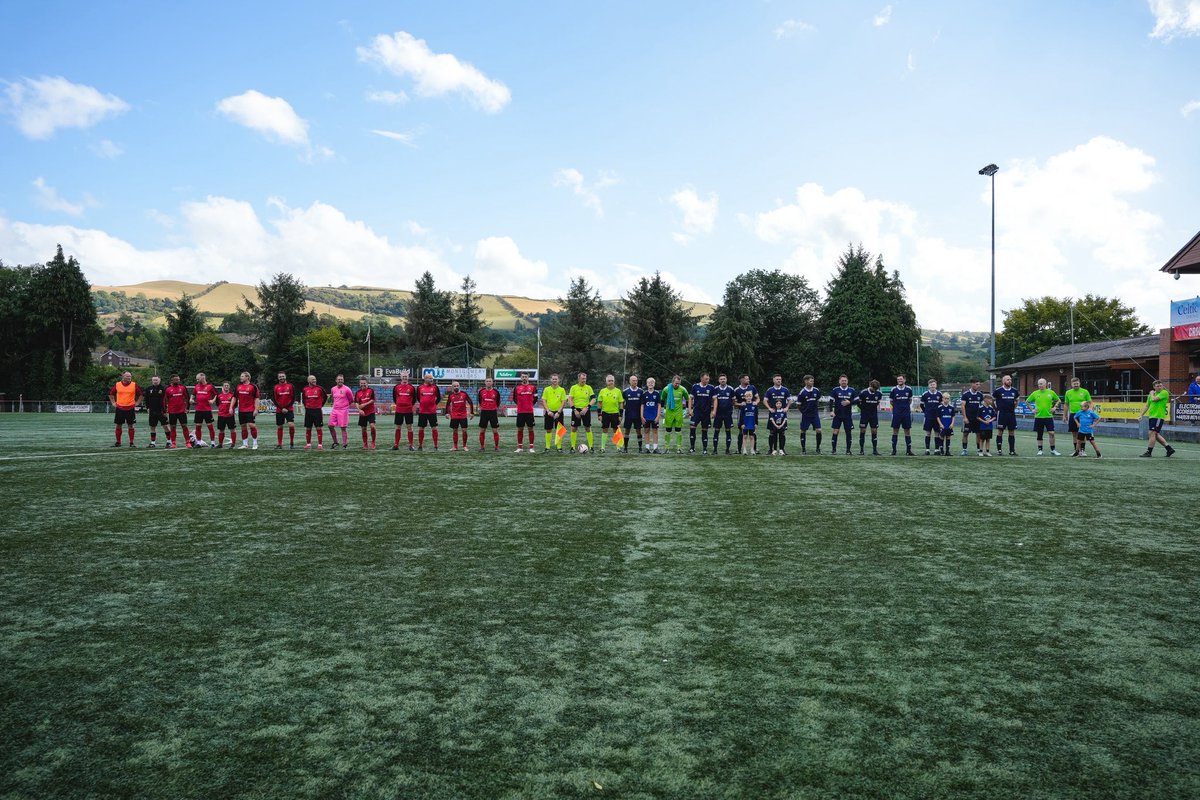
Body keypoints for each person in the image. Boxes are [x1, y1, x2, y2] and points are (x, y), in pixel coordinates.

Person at [1139, 380, 1176, 458]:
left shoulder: (1164, 393)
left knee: (1151, 433)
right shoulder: (1151, 395)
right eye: (1157, 386)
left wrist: (1152, 394)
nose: (1159, 387)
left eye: (1160, 386)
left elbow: (1154, 399)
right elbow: (1147, 405)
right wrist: (1141, 415)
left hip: (1158, 416)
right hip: (1152, 416)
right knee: (1155, 434)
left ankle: (1149, 452)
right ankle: (1169, 449)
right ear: (1154, 387)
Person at [1027, 378, 1062, 456]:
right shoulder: (1035, 393)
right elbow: (1027, 401)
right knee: (1039, 434)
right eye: (1039, 384)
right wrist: (1032, 409)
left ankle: (1053, 449)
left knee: (1051, 433)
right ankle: (1040, 450)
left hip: (1048, 417)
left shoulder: (1051, 392)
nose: (1040, 385)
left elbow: (1058, 400)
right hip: (1038, 417)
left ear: (1046, 384)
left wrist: (1054, 407)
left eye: (1041, 383)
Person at [108, 371, 142, 448]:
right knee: (118, 426)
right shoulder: (117, 384)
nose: (129, 377)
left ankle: (131, 442)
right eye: (127, 376)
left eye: (130, 376)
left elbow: (141, 395)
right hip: (120, 408)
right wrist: (113, 403)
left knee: (131, 426)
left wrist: (137, 403)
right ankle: (118, 442)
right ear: (123, 377)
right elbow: (111, 394)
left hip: (130, 408)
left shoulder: (134, 385)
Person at [1063, 376, 1092, 457]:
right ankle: (1076, 451)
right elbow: (1066, 405)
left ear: (1080, 383)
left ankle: (1082, 451)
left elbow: (1090, 402)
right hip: (1073, 415)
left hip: (1083, 415)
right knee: (1074, 433)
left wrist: (1090, 412)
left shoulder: (1085, 391)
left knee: (1083, 433)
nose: (1076, 385)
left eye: (1077, 383)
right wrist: (1064, 415)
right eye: (1074, 384)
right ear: (1071, 384)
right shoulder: (1068, 393)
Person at [689, 373, 717, 454]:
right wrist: (690, 410)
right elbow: (690, 398)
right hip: (696, 412)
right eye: (706, 379)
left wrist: (714, 411)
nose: (707, 380)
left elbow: (715, 400)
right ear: (701, 378)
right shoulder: (695, 386)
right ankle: (692, 448)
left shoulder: (711, 387)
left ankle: (705, 449)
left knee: (705, 430)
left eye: (708, 379)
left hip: (706, 413)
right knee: (692, 428)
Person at [568, 372, 597, 453]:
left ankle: (591, 447)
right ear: (579, 379)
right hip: (576, 410)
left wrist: (587, 408)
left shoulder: (589, 388)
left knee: (588, 428)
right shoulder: (573, 388)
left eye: (585, 378)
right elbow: (570, 399)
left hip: (586, 410)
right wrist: (574, 409)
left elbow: (594, 399)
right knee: (574, 428)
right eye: (582, 378)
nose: (584, 380)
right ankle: (572, 447)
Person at [828, 375, 857, 455]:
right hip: (837, 415)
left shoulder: (852, 390)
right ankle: (833, 450)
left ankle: (848, 450)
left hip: (847, 415)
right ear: (839, 381)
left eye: (845, 380)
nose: (844, 382)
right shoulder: (835, 390)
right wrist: (831, 411)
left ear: (847, 381)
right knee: (835, 431)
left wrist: (849, 402)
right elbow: (830, 401)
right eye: (842, 380)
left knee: (848, 432)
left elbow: (857, 401)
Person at [992, 374, 1020, 456]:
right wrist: (996, 409)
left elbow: (1017, 400)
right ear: (1003, 381)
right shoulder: (998, 391)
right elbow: (992, 400)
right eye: (1008, 379)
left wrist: (1013, 408)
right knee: (1000, 431)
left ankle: (1012, 450)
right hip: (1002, 414)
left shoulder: (1014, 391)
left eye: (1010, 379)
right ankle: (999, 450)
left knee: (1011, 432)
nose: (1010, 381)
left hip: (1011, 414)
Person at [660, 375, 688, 453]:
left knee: (678, 430)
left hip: (679, 413)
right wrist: (662, 410)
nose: (677, 385)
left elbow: (687, 399)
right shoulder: (666, 389)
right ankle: (666, 448)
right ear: (672, 382)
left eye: (678, 383)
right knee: (668, 430)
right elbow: (662, 399)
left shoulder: (683, 389)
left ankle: (679, 448)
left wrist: (687, 409)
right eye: (676, 383)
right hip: (669, 412)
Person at [444, 380, 475, 450]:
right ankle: (455, 446)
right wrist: (447, 413)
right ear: (452, 387)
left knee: (464, 430)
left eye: (457, 386)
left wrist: (472, 412)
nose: (456, 387)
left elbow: (470, 402)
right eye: (454, 386)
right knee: (455, 430)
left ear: (459, 386)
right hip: (454, 415)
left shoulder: (464, 394)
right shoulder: (451, 395)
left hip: (463, 415)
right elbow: (448, 404)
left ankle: (464, 446)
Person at [597, 374, 624, 453]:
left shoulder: (618, 391)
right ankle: (602, 448)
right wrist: (599, 414)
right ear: (606, 382)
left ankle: (618, 447)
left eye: (612, 380)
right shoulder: (602, 391)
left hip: (615, 414)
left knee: (616, 430)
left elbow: (621, 403)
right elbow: (599, 403)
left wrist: (621, 415)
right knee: (605, 429)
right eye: (609, 381)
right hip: (605, 413)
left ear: (614, 381)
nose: (611, 382)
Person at [540, 373, 567, 453]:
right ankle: (547, 447)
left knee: (559, 430)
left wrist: (558, 412)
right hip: (549, 412)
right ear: (551, 380)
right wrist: (548, 411)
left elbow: (563, 401)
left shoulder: (562, 390)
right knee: (548, 430)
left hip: (559, 412)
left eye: (556, 379)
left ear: (558, 380)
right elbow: (544, 400)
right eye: (553, 379)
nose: (554, 380)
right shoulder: (546, 389)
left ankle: (559, 447)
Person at [795, 375, 822, 454]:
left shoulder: (816, 390)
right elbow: (798, 405)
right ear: (806, 381)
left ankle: (818, 448)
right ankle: (803, 449)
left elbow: (818, 400)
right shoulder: (802, 392)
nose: (812, 382)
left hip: (815, 415)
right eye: (811, 381)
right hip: (806, 415)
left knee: (819, 430)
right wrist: (804, 412)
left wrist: (815, 408)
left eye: (813, 381)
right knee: (803, 431)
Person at [889, 374, 915, 456]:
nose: (899, 381)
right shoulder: (893, 389)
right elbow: (891, 401)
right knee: (895, 431)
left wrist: (905, 407)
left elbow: (910, 400)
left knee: (907, 431)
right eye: (898, 380)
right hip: (897, 413)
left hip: (906, 413)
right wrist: (897, 408)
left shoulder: (909, 389)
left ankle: (908, 450)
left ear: (904, 380)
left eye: (901, 379)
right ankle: (894, 450)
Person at [512, 372, 538, 453]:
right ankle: (520, 447)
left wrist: (529, 404)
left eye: (525, 377)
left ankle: (531, 447)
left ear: (528, 378)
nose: (524, 378)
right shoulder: (517, 388)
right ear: (520, 378)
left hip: (529, 411)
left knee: (530, 428)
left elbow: (535, 398)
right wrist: (520, 405)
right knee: (520, 429)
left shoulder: (533, 387)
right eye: (523, 377)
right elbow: (514, 399)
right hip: (520, 412)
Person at [271, 371, 297, 449]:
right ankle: (280, 444)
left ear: (285, 376)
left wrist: (287, 407)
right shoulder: (276, 387)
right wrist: (281, 408)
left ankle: (292, 442)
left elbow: (293, 398)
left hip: (289, 409)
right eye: (280, 377)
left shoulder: (290, 386)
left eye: (283, 376)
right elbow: (274, 399)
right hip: (279, 410)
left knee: (291, 425)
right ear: (278, 378)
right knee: (279, 426)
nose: (282, 378)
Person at [959, 378, 985, 456]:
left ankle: (978, 450)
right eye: (977, 384)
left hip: (977, 418)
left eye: (979, 384)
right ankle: (964, 450)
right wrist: (965, 417)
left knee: (978, 434)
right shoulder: (966, 394)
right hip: (968, 418)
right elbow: (963, 406)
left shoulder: (980, 395)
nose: (978, 386)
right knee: (965, 433)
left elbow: (982, 406)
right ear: (972, 384)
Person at [327, 374, 354, 450]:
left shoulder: (347, 389)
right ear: (336, 380)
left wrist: (345, 406)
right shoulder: (333, 389)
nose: (340, 381)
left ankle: (344, 444)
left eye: (341, 379)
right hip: (335, 410)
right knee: (330, 426)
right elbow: (333, 397)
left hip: (343, 410)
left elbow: (351, 399)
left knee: (343, 428)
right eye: (339, 379)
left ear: (343, 380)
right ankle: (335, 442)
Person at [234, 371, 260, 450]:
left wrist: (256, 409)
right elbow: (235, 397)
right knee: (243, 427)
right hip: (241, 410)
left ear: (247, 377)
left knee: (252, 425)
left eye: (242, 376)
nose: (240, 377)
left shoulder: (253, 386)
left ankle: (255, 443)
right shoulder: (238, 386)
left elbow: (257, 398)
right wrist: (233, 407)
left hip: (250, 409)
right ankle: (245, 444)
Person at [712, 374, 737, 454]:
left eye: (724, 379)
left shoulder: (730, 389)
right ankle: (715, 450)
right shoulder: (715, 389)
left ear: (726, 379)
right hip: (718, 414)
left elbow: (733, 401)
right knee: (716, 431)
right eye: (721, 379)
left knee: (728, 431)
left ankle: (727, 449)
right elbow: (714, 400)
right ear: (719, 380)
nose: (723, 380)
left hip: (727, 414)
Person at [416, 373, 442, 451]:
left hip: (432, 412)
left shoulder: (435, 387)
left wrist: (434, 404)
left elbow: (438, 398)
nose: (431, 380)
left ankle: (436, 445)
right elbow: (418, 397)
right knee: (421, 428)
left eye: (432, 378)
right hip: (423, 412)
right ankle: (420, 445)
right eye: (430, 378)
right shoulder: (420, 387)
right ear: (425, 379)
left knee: (434, 427)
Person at [164, 374, 191, 449]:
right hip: (172, 412)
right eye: (176, 379)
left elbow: (187, 397)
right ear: (172, 380)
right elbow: (164, 400)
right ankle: (173, 443)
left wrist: (187, 408)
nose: (178, 381)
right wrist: (165, 409)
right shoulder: (168, 389)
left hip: (182, 411)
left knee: (184, 426)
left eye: (178, 379)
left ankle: (188, 442)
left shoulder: (182, 387)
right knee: (173, 427)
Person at [392, 371, 417, 451]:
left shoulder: (411, 387)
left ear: (408, 377)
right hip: (399, 410)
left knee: (409, 427)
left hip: (408, 410)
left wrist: (408, 404)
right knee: (398, 427)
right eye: (403, 376)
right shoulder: (396, 387)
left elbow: (414, 399)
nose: (404, 378)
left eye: (406, 376)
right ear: (401, 377)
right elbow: (395, 398)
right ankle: (396, 444)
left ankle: (411, 445)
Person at [621, 375, 645, 453]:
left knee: (639, 431)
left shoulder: (641, 391)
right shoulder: (625, 391)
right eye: (633, 380)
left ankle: (640, 448)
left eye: (636, 380)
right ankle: (625, 448)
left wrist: (642, 415)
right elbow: (622, 403)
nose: (635, 382)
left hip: (637, 415)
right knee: (627, 431)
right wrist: (621, 413)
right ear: (630, 381)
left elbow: (642, 404)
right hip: (628, 415)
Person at [301, 374, 326, 449]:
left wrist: (320, 405)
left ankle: (320, 445)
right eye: (312, 379)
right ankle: (308, 444)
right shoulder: (305, 389)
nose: (314, 380)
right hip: (308, 411)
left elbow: (325, 397)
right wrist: (306, 406)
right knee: (308, 428)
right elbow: (304, 399)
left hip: (317, 410)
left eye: (315, 379)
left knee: (318, 427)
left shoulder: (320, 388)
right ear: (308, 381)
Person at [858, 379, 883, 455]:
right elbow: (858, 403)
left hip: (873, 415)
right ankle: (861, 450)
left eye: (876, 389)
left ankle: (875, 450)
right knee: (862, 431)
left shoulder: (879, 393)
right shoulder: (863, 393)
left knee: (874, 431)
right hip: (864, 415)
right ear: (870, 386)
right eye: (873, 389)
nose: (874, 390)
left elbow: (877, 402)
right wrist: (864, 409)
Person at [477, 377, 502, 451]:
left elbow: (498, 402)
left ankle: (497, 447)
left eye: (490, 381)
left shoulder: (496, 392)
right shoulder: (481, 392)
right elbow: (480, 401)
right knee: (482, 430)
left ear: (492, 382)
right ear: (485, 382)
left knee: (495, 430)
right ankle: (482, 447)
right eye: (487, 381)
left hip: (492, 412)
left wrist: (493, 408)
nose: (488, 382)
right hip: (484, 412)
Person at [193, 372, 217, 446]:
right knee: (198, 427)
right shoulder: (196, 386)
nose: (197, 380)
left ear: (203, 377)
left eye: (198, 379)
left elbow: (216, 394)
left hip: (207, 410)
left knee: (210, 426)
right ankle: (199, 443)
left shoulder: (210, 386)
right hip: (198, 410)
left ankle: (213, 443)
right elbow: (193, 394)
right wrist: (191, 399)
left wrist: (213, 400)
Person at [143, 375, 166, 448]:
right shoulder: (148, 389)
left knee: (165, 426)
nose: (155, 381)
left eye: (156, 380)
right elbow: (146, 399)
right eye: (154, 380)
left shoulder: (164, 388)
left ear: (160, 380)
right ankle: (153, 442)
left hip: (161, 410)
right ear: (152, 381)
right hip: (152, 411)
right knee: (152, 427)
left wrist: (165, 409)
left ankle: (169, 441)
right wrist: (147, 408)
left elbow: (166, 399)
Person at [920, 379, 942, 455]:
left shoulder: (939, 394)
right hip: (928, 417)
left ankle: (936, 449)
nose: (932, 386)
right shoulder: (925, 394)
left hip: (937, 417)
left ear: (936, 385)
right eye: (931, 384)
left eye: (934, 384)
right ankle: (927, 449)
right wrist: (926, 412)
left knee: (937, 433)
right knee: (928, 433)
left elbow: (941, 405)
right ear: (929, 386)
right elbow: (922, 405)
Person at [356, 377, 377, 449]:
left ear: (367, 383)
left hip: (370, 411)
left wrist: (364, 404)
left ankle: (373, 442)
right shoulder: (358, 392)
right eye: (361, 383)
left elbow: (373, 400)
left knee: (372, 426)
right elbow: (356, 402)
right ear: (360, 384)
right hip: (363, 413)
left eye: (364, 383)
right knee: (363, 428)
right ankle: (365, 444)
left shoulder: (371, 391)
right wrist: (359, 410)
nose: (363, 384)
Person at [642, 377, 662, 453]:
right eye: (649, 382)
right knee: (646, 431)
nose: (650, 384)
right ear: (647, 384)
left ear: (654, 384)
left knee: (655, 431)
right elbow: (642, 406)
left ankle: (655, 448)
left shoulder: (657, 393)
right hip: (646, 416)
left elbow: (659, 405)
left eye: (652, 382)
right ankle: (647, 448)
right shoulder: (644, 394)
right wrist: (642, 416)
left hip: (654, 416)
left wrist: (658, 416)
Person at [216, 381, 238, 448]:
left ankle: (233, 444)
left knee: (232, 429)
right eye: (225, 385)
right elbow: (218, 404)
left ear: (229, 387)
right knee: (221, 430)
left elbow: (235, 404)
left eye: (227, 385)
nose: (226, 386)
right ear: (223, 387)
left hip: (230, 415)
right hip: (221, 415)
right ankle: (220, 444)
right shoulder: (219, 395)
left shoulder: (232, 395)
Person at [738, 389, 757, 455]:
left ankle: (752, 449)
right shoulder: (743, 405)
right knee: (745, 436)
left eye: (750, 396)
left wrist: (756, 423)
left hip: (752, 423)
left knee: (752, 437)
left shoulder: (754, 405)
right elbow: (741, 415)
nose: (748, 397)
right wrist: (742, 423)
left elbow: (756, 415)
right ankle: (744, 449)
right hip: (745, 423)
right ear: (745, 397)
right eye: (747, 396)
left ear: (752, 397)